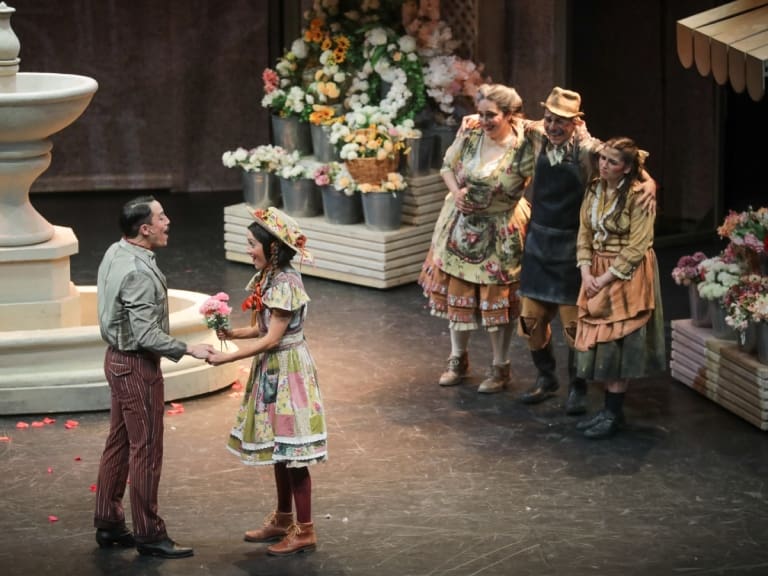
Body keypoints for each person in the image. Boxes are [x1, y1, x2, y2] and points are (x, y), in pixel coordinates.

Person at [515, 87, 656, 414]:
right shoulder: (538, 135)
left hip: (571, 246)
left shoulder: (589, 150)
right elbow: (514, 121)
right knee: (530, 320)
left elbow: (628, 160)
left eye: (561, 122)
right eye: (549, 118)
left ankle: (577, 386)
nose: (552, 126)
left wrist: (649, 182)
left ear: (577, 122)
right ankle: (545, 378)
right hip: (539, 241)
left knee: (574, 326)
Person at [94, 195, 213, 559]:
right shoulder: (138, 272)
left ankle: (109, 521)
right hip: (136, 367)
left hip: (116, 360)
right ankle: (149, 533)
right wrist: (188, 348)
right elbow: (146, 335)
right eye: (161, 218)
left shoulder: (117, 252)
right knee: (145, 449)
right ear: (144, 229)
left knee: (119, 442)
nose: (168, 222)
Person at [207, 207, 327, 556]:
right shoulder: (269, 277)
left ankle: (305, 530)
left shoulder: (286, 283)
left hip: (288, 369)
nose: (248, 249)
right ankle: (283, 518)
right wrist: (230, 333)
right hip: (273, 369)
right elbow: (261, 328)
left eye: (251, 244)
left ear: (272, 248)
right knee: (279, 449)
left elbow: (273, 338)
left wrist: (226, 357)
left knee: (294, 451)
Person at [418, 83, 533, 394]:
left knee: (497, 303)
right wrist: (456, 193)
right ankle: (458, 358)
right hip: (461, 226)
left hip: (501, 228)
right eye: (481, 113)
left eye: (492, 115)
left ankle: (500, 366)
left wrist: (641, 177)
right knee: (460, 293)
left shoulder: (526, 142)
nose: (484, 120)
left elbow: (579, 143)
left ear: (510, 115)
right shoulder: (470, 130)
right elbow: (446, 166)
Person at [573, 137, 666, 438]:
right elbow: (584, 233)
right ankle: (608, 411)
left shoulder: (639, 197)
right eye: (602, 159)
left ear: (626, 168)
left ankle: (613, 414)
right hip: (597, 269)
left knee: (618, 342)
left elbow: (638, 246)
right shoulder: (595, 188)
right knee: (600, 343)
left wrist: (604, 278)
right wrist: (586, 272)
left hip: (625, 274)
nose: (604, 164)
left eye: (612, 162)